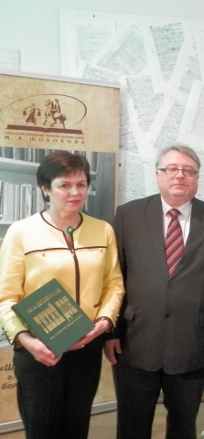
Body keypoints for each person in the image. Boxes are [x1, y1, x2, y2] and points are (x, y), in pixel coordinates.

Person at [104, 145, 204, 439]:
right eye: (172, 169)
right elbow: (114, 277)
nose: (180, 175)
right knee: (131, 425)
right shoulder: (129, 215)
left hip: (192, 343)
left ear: (197, 178)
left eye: (189, 170)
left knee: (183, 424)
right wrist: (111, 332)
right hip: (134, 341)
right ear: (158, 175)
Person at [0, 150, 124, 439]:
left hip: (87, 346)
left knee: (77, 427)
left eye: (81, 184)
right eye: (64, 185)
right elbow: (6, 297)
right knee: (42, 429)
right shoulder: (21, 232)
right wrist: (27, 341)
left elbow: (114, 285)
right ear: (46, 189)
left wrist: (103, 324)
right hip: (39, 348)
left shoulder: (103, 230)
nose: (75, 192)